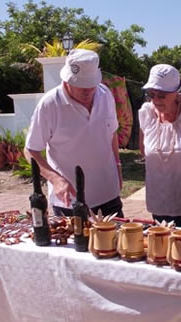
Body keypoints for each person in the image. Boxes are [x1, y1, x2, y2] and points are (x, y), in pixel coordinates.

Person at [25, 49, 123, 217]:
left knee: (117, 243)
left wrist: (118, 166)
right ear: (67, 80)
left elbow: (111, 134)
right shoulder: (49, 105)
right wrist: (55, 180)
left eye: (91, 85)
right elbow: (30, 150)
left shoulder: (105, 94)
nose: (88, 91)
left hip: (108, 194)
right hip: (69, 201)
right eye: (81, 86)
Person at [139, 64, 181, 227]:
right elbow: (143, 150)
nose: (155, 100)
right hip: (160, 204)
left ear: (176, 92)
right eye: (151, 94)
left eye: (161, 95)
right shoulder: (146, 112)